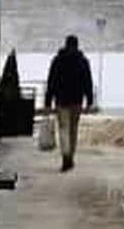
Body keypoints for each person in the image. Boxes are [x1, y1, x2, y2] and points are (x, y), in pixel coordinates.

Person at [44, 34, 94, 172]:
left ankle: (66, 155)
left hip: (61, 100)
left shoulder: (57, 60)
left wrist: (48, 101)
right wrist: (89, 100)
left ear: (65, 44)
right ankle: (71, 155)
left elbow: (51, 81)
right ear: (77, 45)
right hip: (77, 100)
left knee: (63, 129)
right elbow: (87, 81)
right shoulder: (83, 61)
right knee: (73, 130)